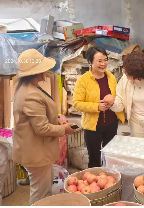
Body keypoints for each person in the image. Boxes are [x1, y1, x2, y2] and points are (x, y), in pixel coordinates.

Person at [12, 49, 77, 205]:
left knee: (44, 189)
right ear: (37, 72)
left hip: (36, 151)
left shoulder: (30, 88)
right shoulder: (30, 94)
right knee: (40, 193)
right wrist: (64, 130)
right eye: (44, 68)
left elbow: (39, 117)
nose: (47, 71)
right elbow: (41, 128)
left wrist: (57, 120)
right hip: (35, 153)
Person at [73, 46, 125, 168]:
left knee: (110, 156)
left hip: (111, 123)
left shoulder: (110, 77)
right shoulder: (83, 81)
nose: (103, 64)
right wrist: (96, 107)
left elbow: (116, 96)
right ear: (90, 62)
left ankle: (110, 182)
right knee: (94, 158)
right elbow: (76, 103)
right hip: (93, 126)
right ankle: (95, 183)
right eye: (99, 61)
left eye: (105, 60)